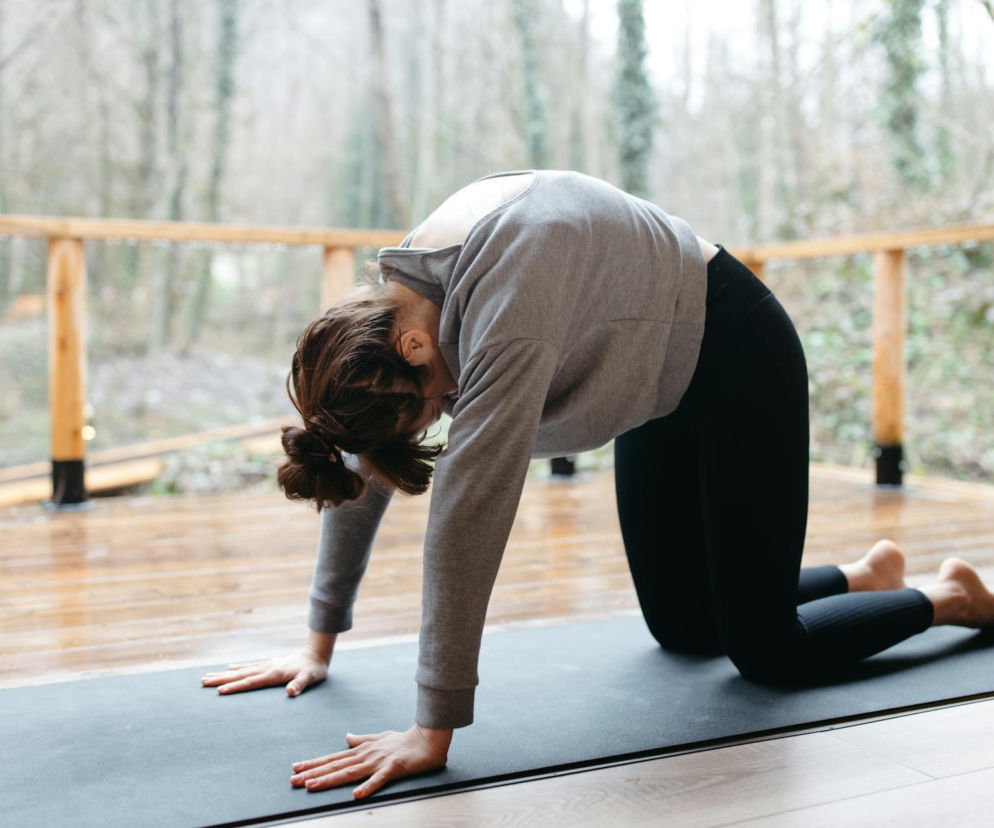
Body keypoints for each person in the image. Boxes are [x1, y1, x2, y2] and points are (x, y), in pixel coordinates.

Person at [201, 170, 994, 799]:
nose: (445, 407)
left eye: (436, 400)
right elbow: (366, 458)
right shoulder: (403, 313)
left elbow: (469, 513)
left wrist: (431, 729)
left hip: (736, 354)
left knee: (767, 652)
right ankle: (861, 577)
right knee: (683, 628)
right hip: (652, 384)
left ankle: (949, 595)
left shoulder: (504, 297)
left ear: (413, 345)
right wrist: (319, 639)